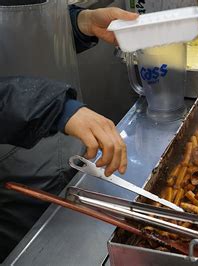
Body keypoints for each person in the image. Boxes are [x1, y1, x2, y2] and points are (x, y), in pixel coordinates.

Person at [0, 5, 138, 262]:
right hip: (14, 175)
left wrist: (79, 23)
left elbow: (22, 31)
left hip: (70, 146)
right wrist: (53, 107)